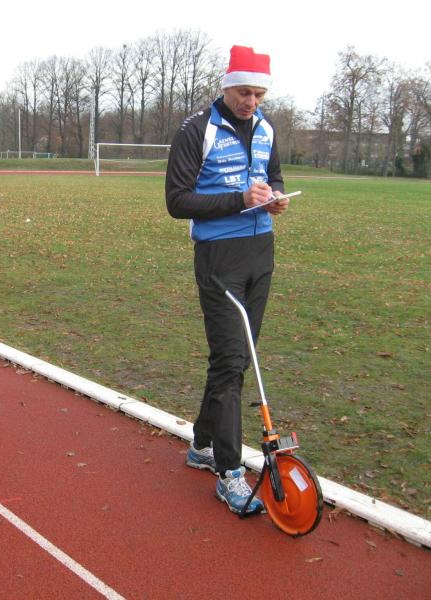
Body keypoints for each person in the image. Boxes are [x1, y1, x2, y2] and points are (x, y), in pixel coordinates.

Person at [165, 45, 289, 516]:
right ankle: (230, 472)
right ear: (226, 87)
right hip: (219, 257)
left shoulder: (266, 128)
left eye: (259, 94)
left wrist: (276, 197)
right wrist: (240, 200)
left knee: (236, 360)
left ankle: (202, 444)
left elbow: (274, 176)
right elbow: (177, 201)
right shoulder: (196, 130)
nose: (251, 102)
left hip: (261, 252)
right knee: (231, 359)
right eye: (244, 93)